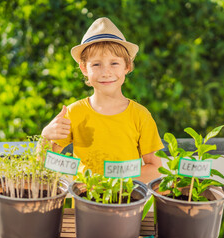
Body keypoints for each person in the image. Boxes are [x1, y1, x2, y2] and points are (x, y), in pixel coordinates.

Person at [41, 17, 163, 183]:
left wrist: (113, 182)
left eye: (114, 63)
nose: (106, 72)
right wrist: (45, 137)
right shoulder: (73, 113)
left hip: (126, 203)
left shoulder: (141, 115)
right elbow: (45, 162)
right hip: (84, 202)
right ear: (84, 69)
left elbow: (155, 169)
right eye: (96, 64)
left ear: (127, 66)